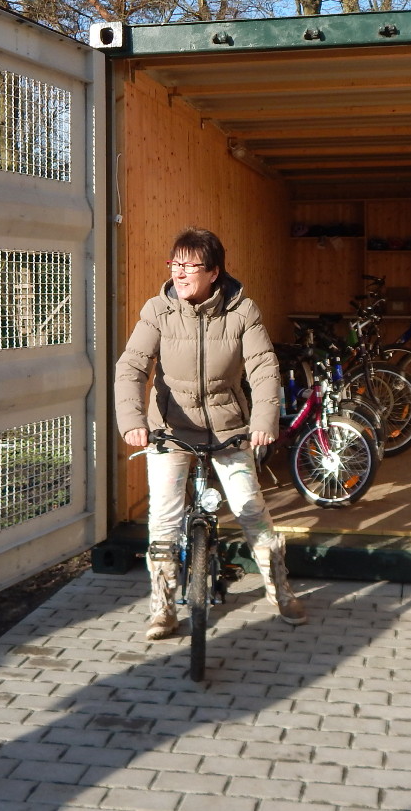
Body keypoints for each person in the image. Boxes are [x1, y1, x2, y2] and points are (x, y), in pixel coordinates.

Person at [114, 227, 307, 639]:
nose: (180, 274)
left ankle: (280, 590)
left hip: (229, 431)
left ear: (215, 271)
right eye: (175, 264)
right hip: (169, 431)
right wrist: (133, 422)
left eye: (191, 266)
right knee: (163, 519)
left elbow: (263, 368)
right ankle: (162, 607)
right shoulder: (157, 310)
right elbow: (131, 367)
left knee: (250, 509)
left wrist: (263, 422)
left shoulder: (243, 312)